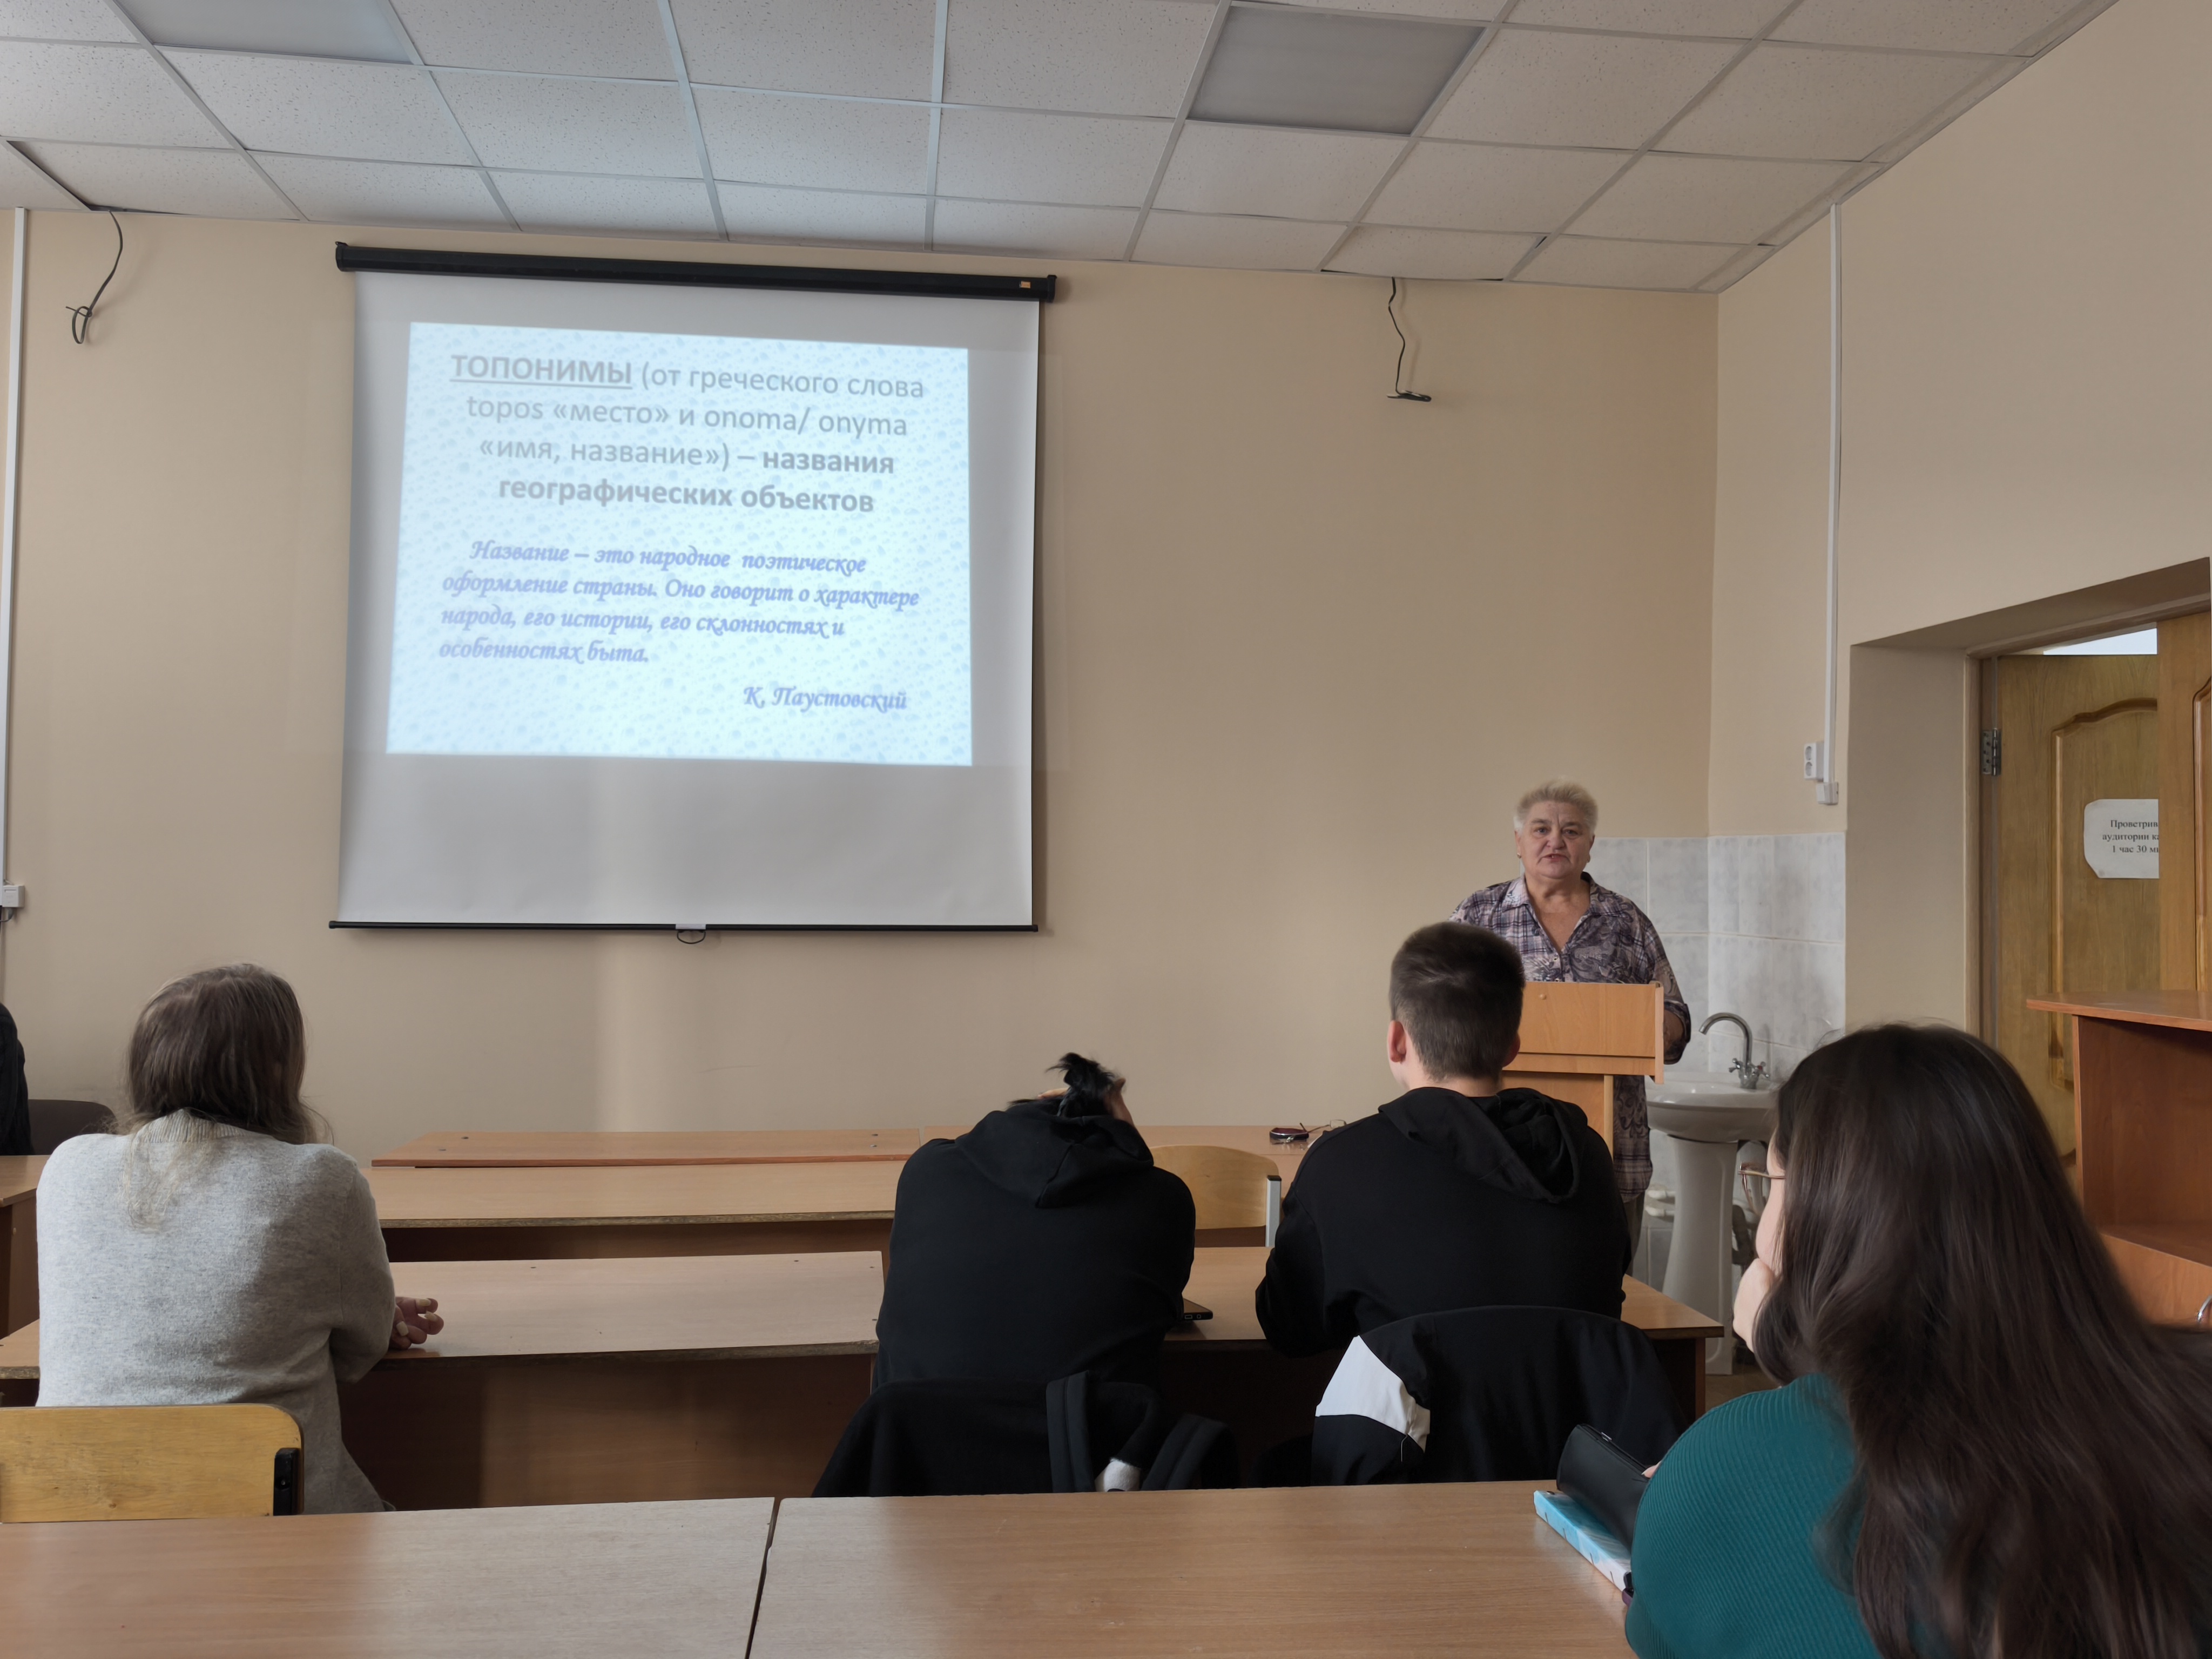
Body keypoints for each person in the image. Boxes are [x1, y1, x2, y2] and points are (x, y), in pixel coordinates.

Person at [1627, 1026, 2212, 1659]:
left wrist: (1790, 1360)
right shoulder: (2187, 1409)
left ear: (1817, 1217)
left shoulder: (1721, 1471)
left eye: (1770, 1185)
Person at [35, 965, 442, 1514]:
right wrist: (368, 1314)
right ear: (278, 1069)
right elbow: (360, 1354)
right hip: (266, 1517)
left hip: (72, 1515)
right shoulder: (322, 1179)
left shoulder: (67, 1166)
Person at [1256, 922, 1629, 1358]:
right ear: (1512, 1047)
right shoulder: (1586, 1155)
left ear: (1397, 1042)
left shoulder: (1340, 1166)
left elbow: (1290, 1329)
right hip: (1570, 1405)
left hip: (1410, 1407)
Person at [1451, 780, 1689, 1257]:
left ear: (1590, 845)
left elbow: (1676, 1018)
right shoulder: (1479, 916)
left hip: (1610, 1152)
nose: (1555, 841)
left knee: (1607, 1287)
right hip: (1500, 1147)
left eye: (1571, 831)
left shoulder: (1626, 921)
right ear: (1519, 842)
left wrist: (1649, 1027)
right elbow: (1442, 1013)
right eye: (1541, 829)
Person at [873, 1054, 1195, 1389]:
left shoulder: (927, 1170)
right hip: (1077, 1424)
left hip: (918, 1422)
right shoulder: (1162, 1200)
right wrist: (1129, 1145)